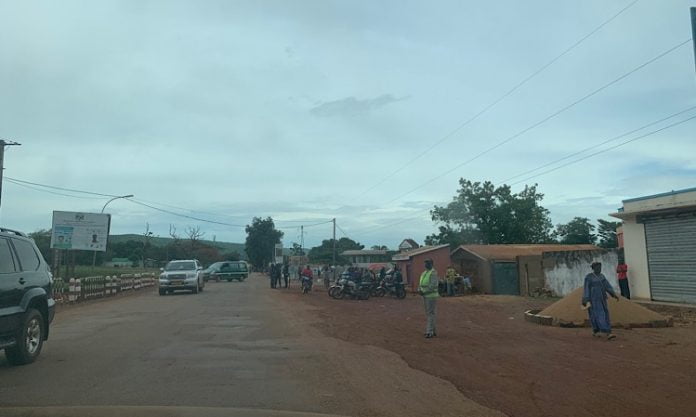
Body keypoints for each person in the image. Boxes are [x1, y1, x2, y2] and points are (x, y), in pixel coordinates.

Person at [582, 262, 620, 340]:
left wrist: (613, 294)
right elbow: (586, 288)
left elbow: (607, 286)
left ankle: (600, 330)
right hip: (593, 299)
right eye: (597, 267)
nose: (599, 269)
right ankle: (606, 332)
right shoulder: (589, 277)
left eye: (600, 267)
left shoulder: (602, 276)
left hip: (602, 298)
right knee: (597, 314)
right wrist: (586, 298)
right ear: (594, 268)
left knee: (605, 313)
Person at [418, 258, 439, 338]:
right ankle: (433, 331)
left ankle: (429, 331)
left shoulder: (433, 273)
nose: (426, 264)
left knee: (430, 314)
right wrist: (419, 289)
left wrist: (424, 291)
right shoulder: (424, 273)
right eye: (425, 263)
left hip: (431, 296)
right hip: (425, 295)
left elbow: (433, 285)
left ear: (431, 264)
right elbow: (420, 283)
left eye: (428, 263)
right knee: (430, 314)